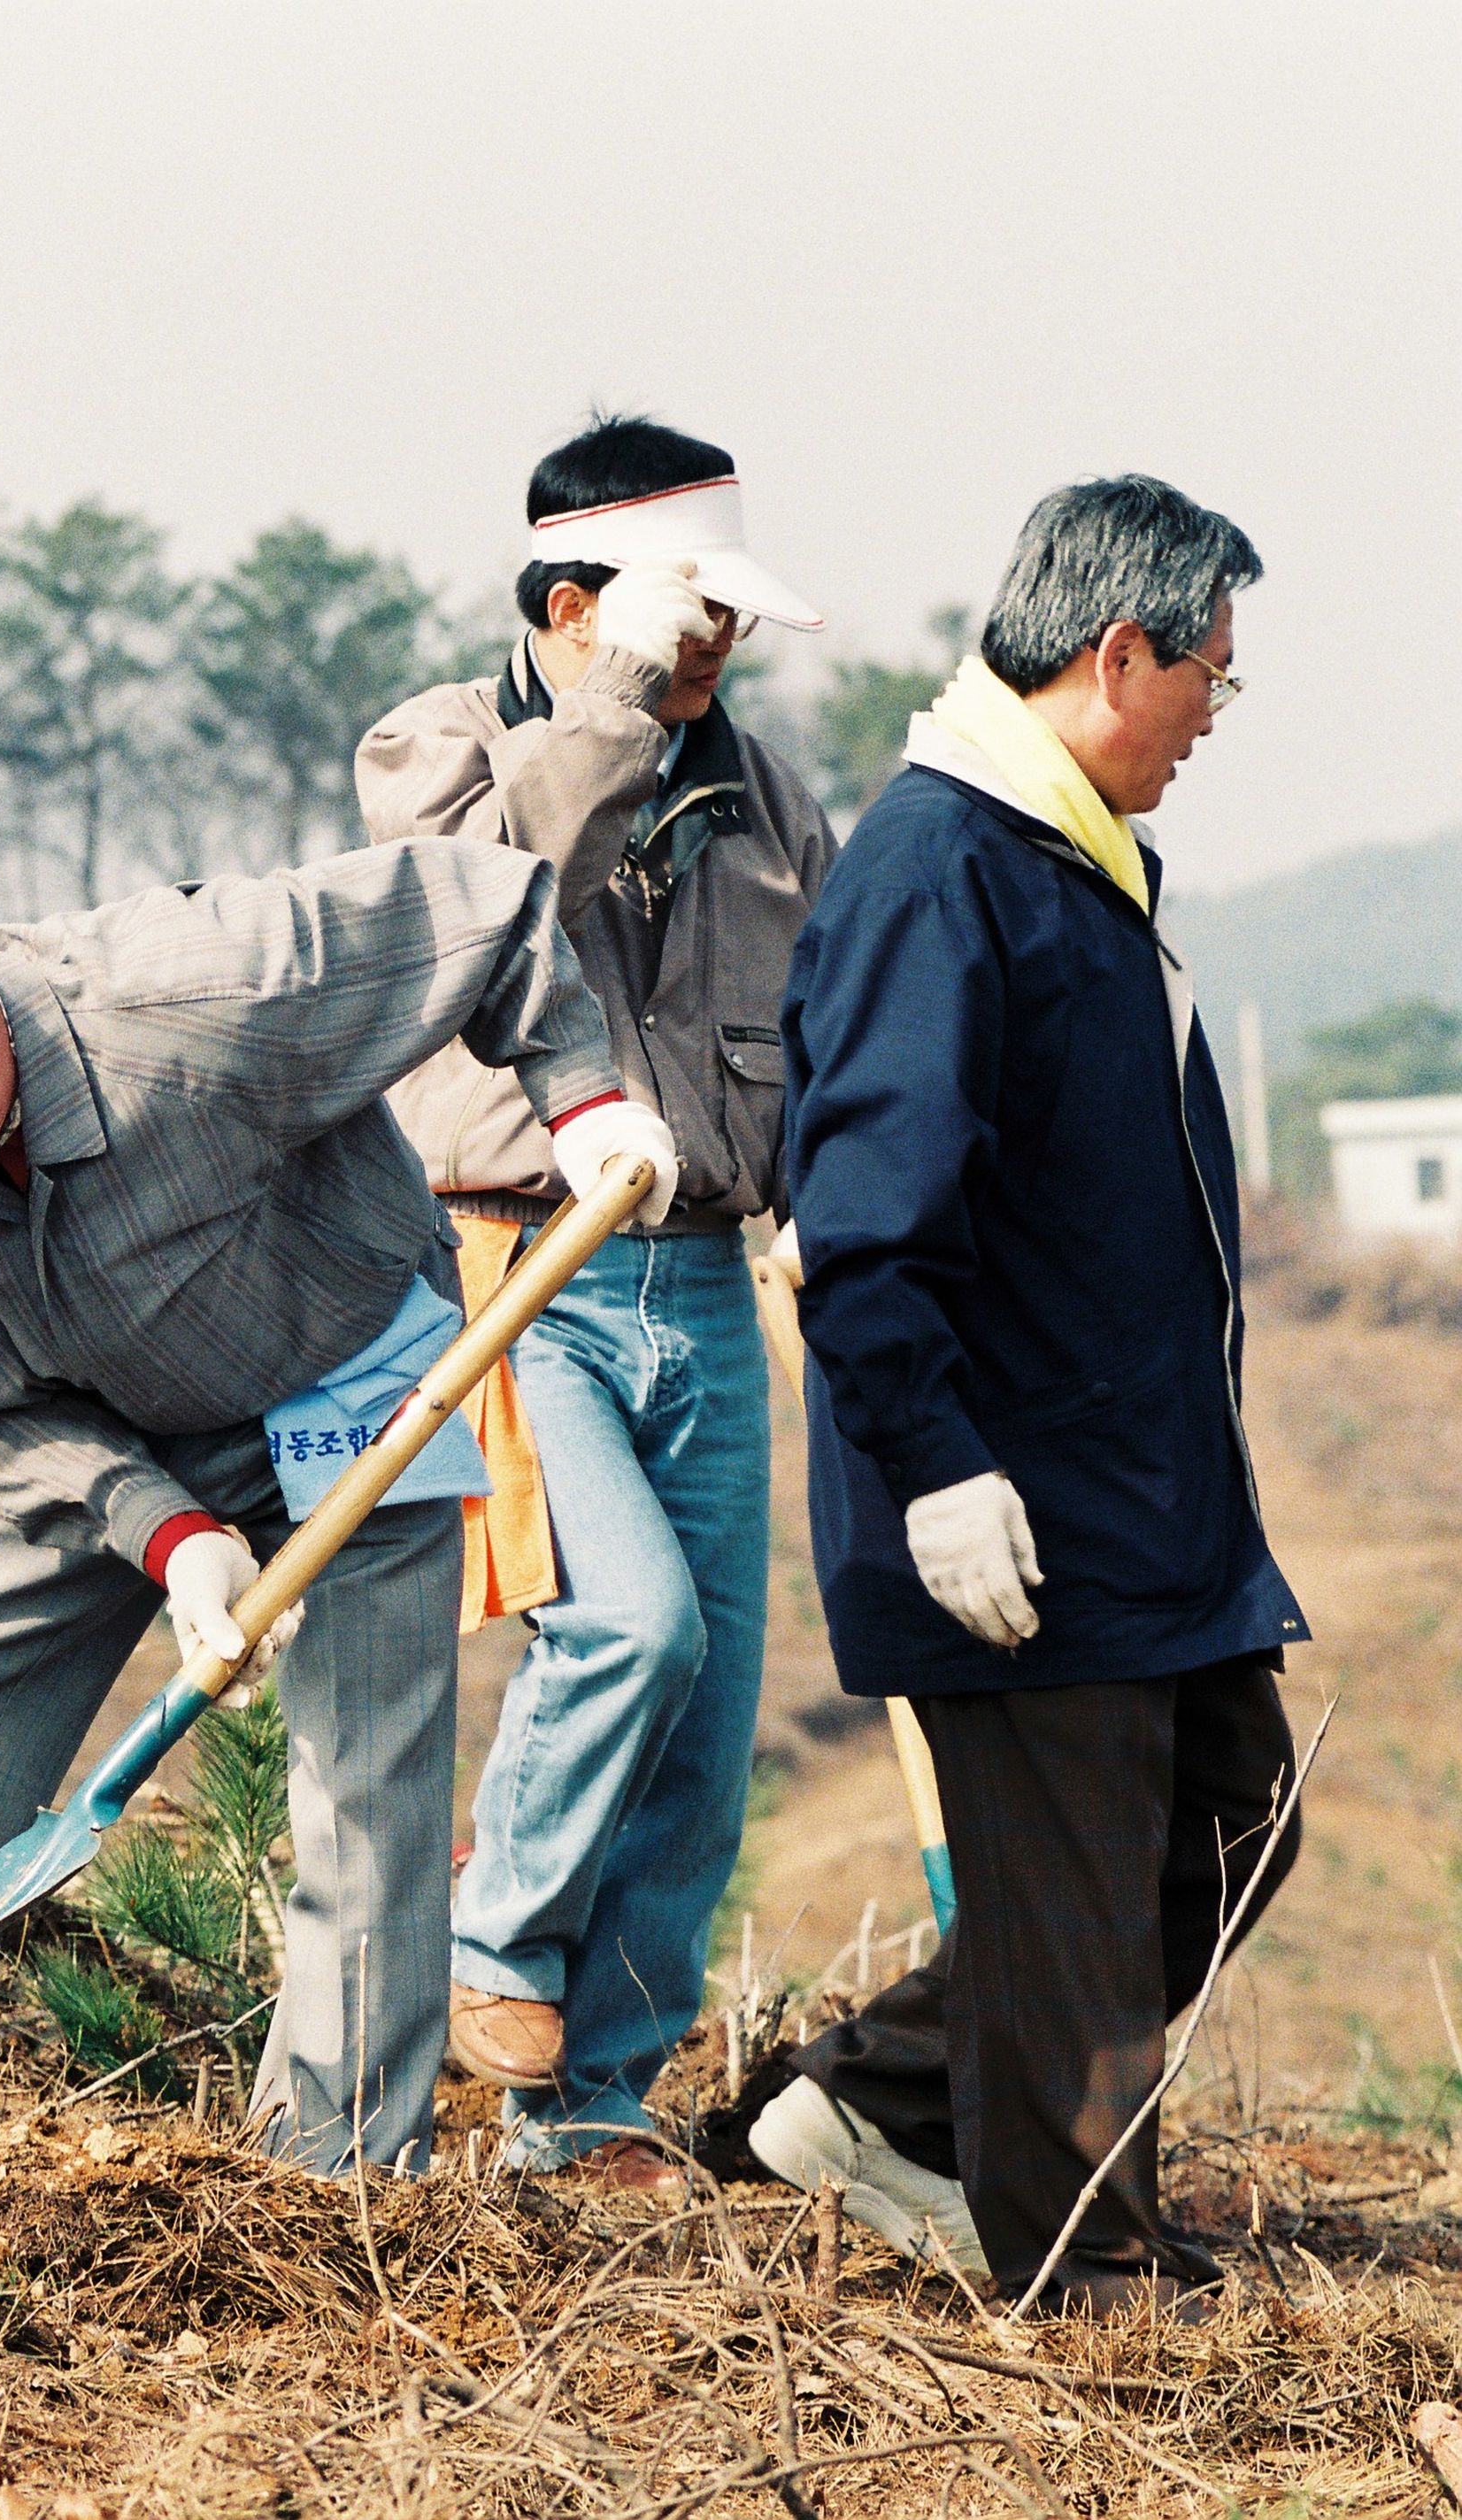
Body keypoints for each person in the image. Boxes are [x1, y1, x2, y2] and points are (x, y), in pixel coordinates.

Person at [0, 857, 677, 2172]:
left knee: (363, 1784)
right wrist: (168, 1531)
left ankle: (326, 2182)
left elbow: (482, 911)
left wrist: (588, 1104)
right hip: (93, 1425)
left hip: (347, 1381)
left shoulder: (194, 999)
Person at [747, 477, 1304, 2316]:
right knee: (1069, 1899)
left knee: (1229, 1821)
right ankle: (1091, 2280)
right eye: (1208, 682)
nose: (1214, 723)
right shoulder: (941, 868)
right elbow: (865, 1209)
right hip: (1008, 1495)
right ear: (1114, 649)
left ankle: (868, 2105)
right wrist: (931, 1464)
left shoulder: (1060, 854)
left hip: (1136, 1493)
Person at [358, 416, 838, 2188]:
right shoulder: (437, 748)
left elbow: (822, 1040)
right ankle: (492, 1940)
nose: (711, 656)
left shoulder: (774, 800)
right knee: (623, 1619)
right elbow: (484, 916)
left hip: (703, 1269)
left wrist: (819, 1209)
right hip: (512, 1258)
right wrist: (611, 712)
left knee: (708, 1712)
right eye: (682, 622)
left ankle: (596, 2099)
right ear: (576, 602)